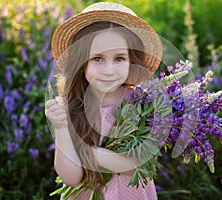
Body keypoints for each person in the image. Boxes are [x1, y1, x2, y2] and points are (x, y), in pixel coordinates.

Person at [45, 2, 163, 199]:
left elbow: (138, 164)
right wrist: (60, 128)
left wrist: (89, 154)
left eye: (119, 59)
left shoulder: (142, 103)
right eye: (97, 59)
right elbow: (71, 178)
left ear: (131, 62)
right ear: (81, 63)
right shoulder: (71, 106)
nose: (109, 69)